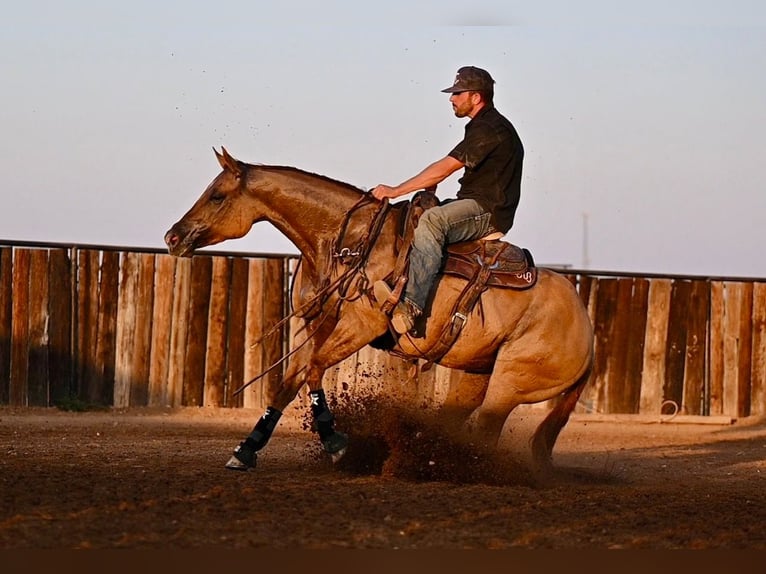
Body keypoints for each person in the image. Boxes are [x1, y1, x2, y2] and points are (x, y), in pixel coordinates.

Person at [372, 65, 525, 335]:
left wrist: (395, 190)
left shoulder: (491, 128)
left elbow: (447, 166)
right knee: (415, 212)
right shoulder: (481, 126)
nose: (451, 99)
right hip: (474, 204)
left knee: (432, 221)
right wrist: (425, 191)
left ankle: (411, 306)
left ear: (476, 97)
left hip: (488, 212)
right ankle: (400, 282)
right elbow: (446, 168)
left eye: (457, 93)